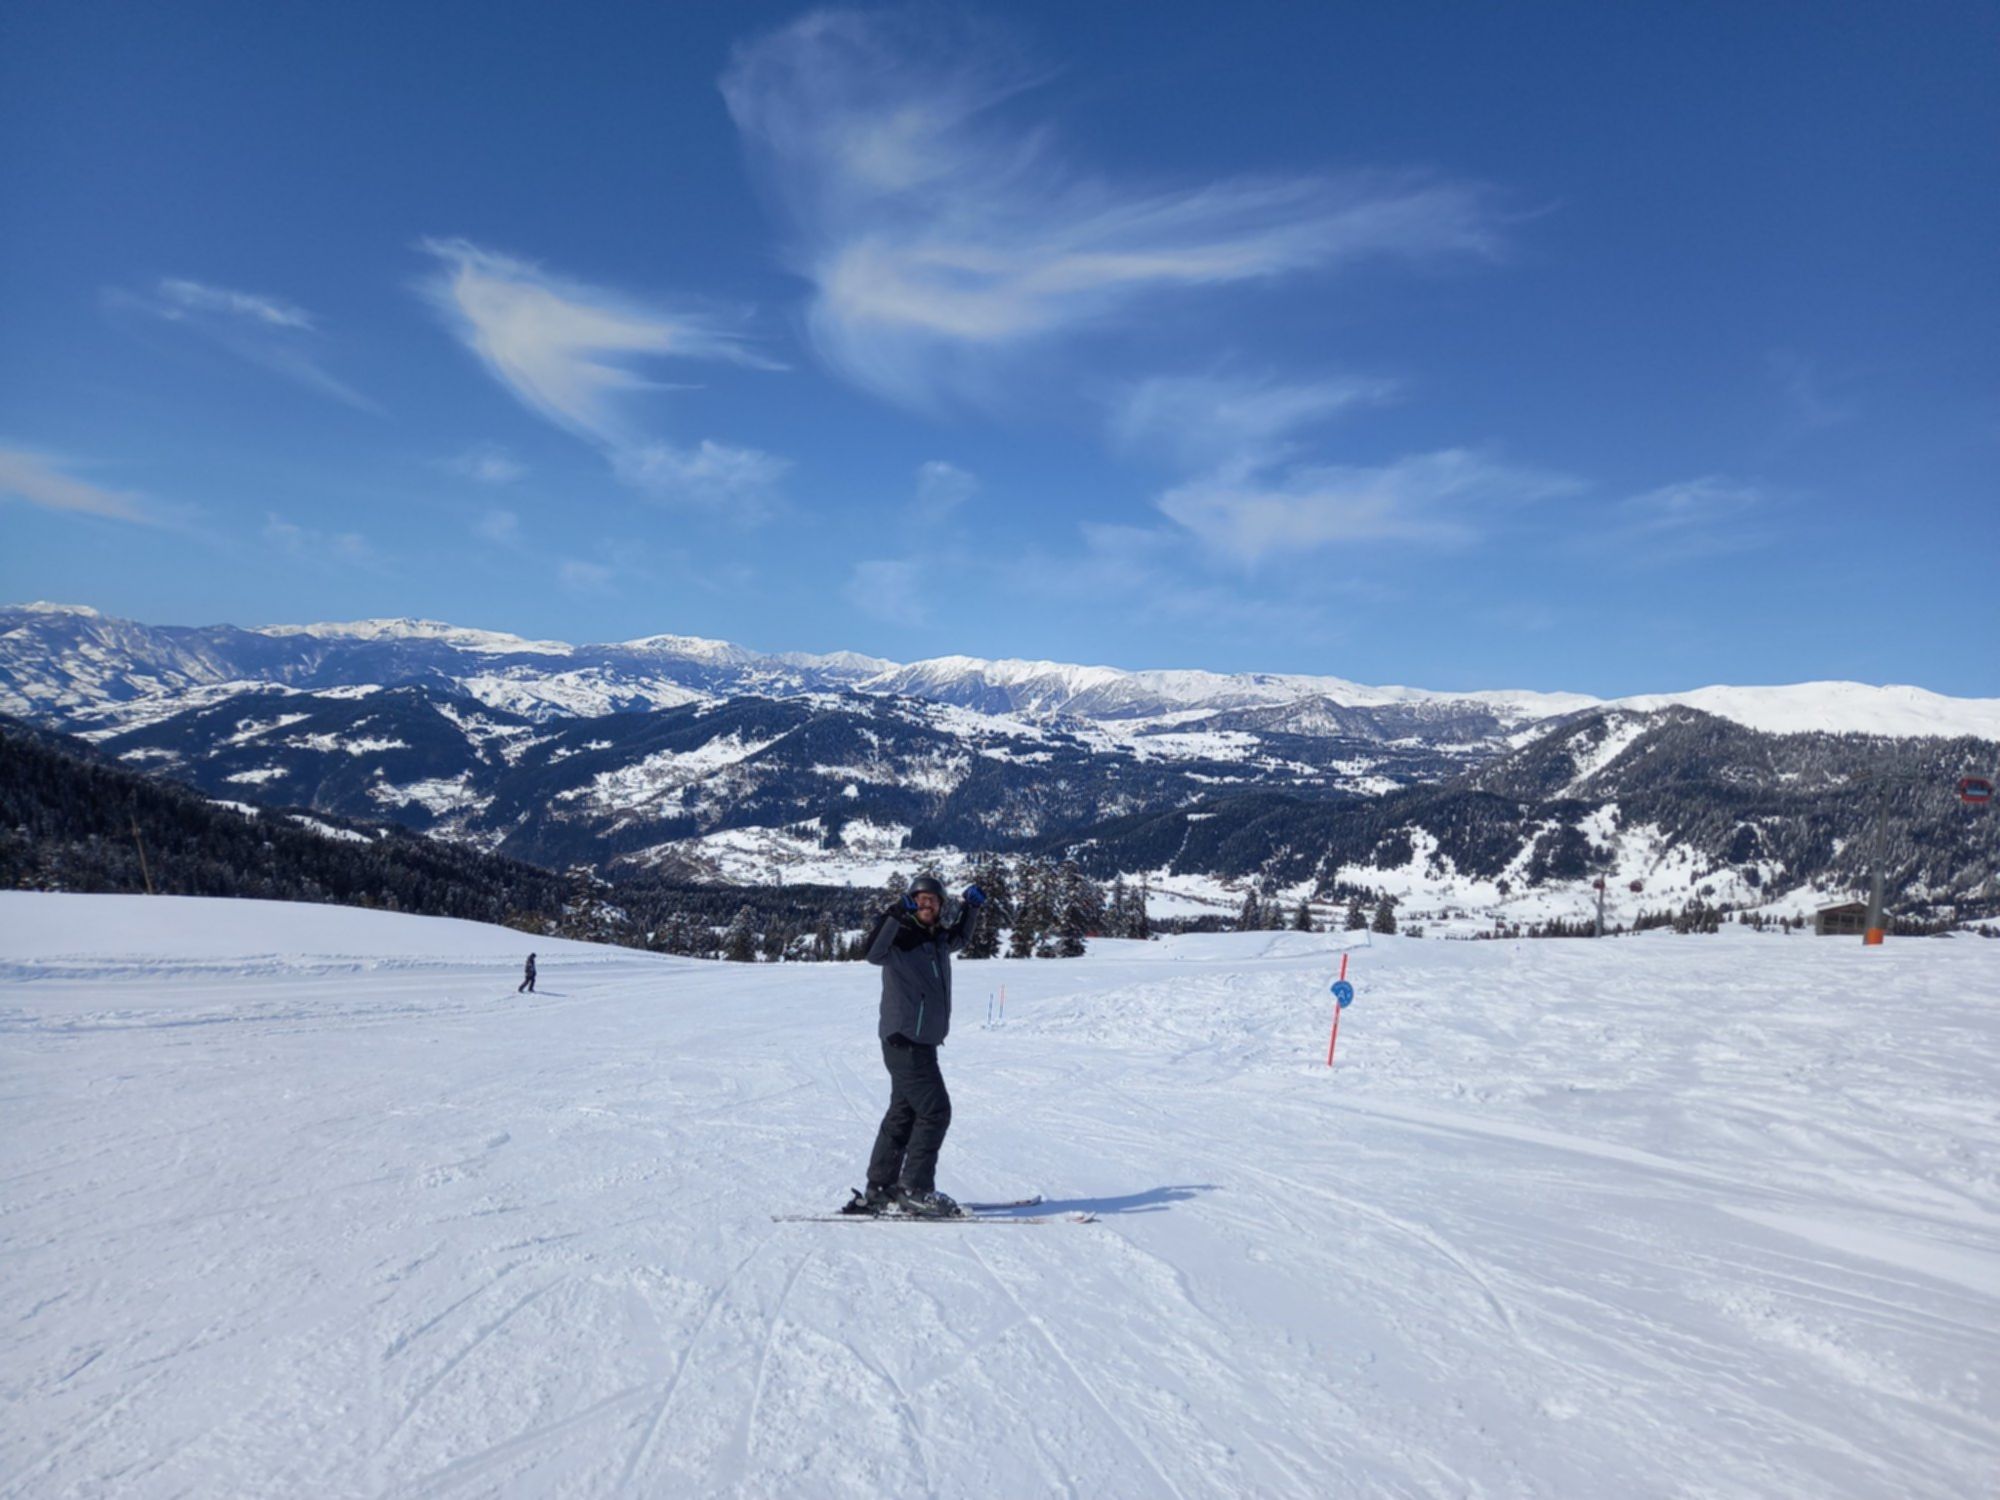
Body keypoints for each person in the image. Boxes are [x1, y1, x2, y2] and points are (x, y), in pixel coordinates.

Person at [851, 875, 985, 1217]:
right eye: (921, 899)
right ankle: (915, 1189)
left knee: (904, 1113)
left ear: (941, 906)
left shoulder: (937, 939)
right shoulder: (899, 939)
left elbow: (960, 938)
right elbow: (872, 953)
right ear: (912, 902)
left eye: (934, 901)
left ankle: (880, 1189)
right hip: (904, 1039)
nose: (928, 905)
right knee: (935, 1110)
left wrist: (971, 908)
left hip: (921, 1041)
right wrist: (895, 915)